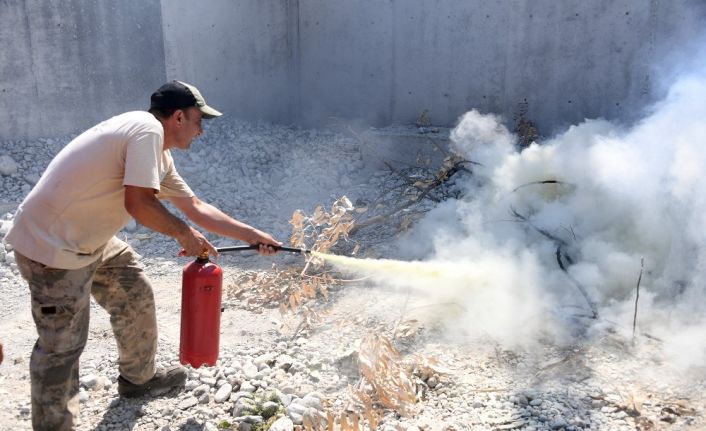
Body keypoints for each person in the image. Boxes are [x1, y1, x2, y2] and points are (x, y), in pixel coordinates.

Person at [5, 80, 282, 430]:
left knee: (133, 289)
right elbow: (138, 204)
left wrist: (253, 236)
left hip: (87, 238)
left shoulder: (157, 151)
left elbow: (194, 207)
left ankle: (138, 379)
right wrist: (183, 232)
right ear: (178, 117)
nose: (202, 131)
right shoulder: (147, 132)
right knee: (62, 347)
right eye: (199, 120)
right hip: (52, 247)